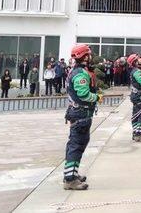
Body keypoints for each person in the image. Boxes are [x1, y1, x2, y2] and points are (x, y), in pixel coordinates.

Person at [63, 44, 102, 190]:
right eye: (89, 54)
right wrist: (97, 97)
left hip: (78, 114)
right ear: (84, 57)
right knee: (76, 145)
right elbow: (83, 94)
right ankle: (70, 179)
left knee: (75, 145)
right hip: (81, 114)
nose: (90, 57)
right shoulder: (80, 74)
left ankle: (71, 173)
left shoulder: (75, 70)